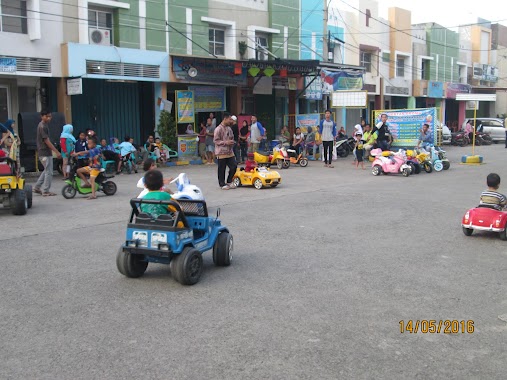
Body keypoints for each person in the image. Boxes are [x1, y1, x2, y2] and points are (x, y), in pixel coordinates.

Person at [34, 110, 61, 197]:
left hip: (45, 151)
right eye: (47, 116)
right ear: (42, 116)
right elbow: (46, 141)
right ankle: (46, 191)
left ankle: (37, 187)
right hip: (44, 152)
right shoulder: (42, 126)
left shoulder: (43, 125)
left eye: (50, 116)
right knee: (49, 172)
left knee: (46, 170)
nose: (49, 118)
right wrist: (56, 151)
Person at [214, 112, 237, 190]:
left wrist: (232, 142)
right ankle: (222, 184)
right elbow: (216, 141)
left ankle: (229, 181)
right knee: (222, 168)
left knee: (234, 166)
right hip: (221, 152)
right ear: (225, 119)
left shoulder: (229, 128)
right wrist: (225, 142)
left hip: (230, 151)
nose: (231, 121)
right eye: (229, 119)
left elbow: (232, 137)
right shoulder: (218, 129)